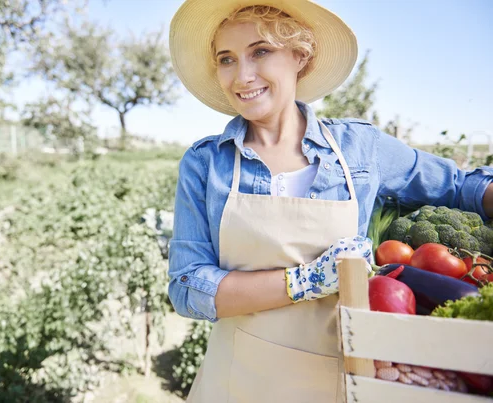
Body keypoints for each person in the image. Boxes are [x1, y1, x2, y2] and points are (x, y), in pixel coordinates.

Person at [167, 1, 493, 402]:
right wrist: (305, 281)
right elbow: (188, 287)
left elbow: (462, 186)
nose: (243, 75)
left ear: (299, 56)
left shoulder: (359, 148)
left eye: (260, 51)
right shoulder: (206, 163)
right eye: (227, 59)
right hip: (238, 380)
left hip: (343, 376)